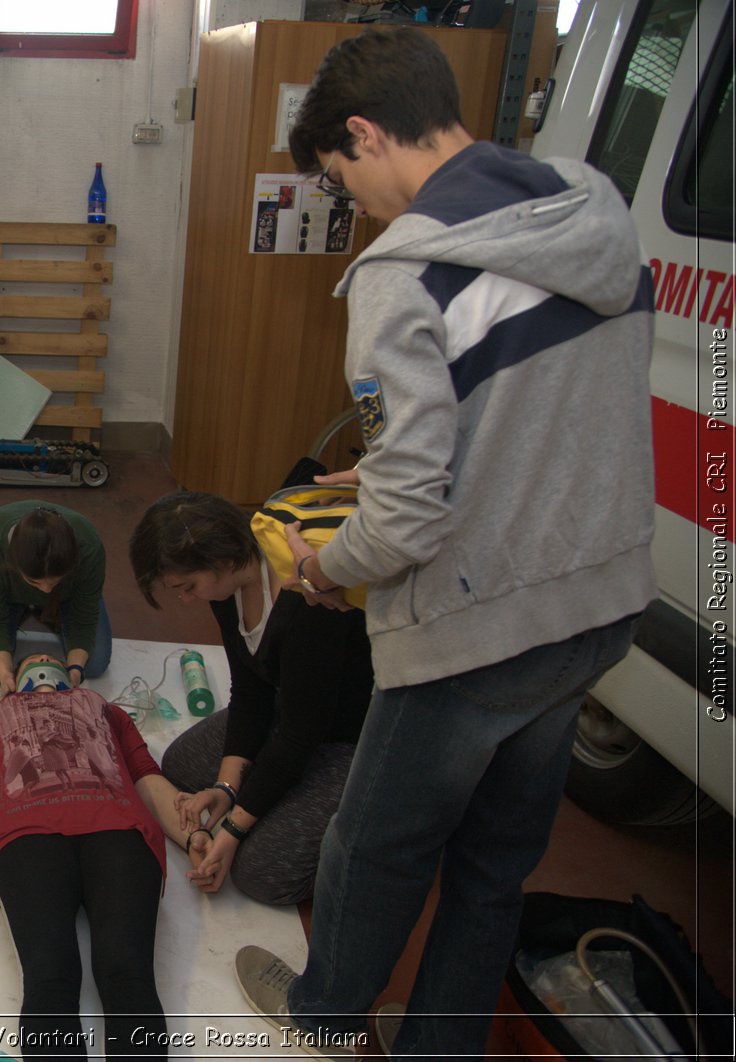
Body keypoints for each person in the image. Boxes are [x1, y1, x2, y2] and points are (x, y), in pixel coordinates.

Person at [232, 28, 655, 1060]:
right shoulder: (584, 213)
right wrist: (383, 470)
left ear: (365, 135)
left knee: (373, 846)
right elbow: (533, 421)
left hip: (478, 627)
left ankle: (328, 1015)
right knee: (494, 860)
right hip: (597, 601)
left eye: (342, 179)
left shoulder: (403, 275)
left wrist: (326, 568)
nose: (356, 208)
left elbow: (412, 522)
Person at [0, 655, 208, 1059]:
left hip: (118, 831)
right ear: (14, 679)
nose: (42, 659)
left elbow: (147, 779)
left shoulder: (105, 710)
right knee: (50, 979)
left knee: (128, 974)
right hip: (29, 838)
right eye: (33, 658)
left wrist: (194, 834)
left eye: (50, 656)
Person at [129, 491, 373, 906]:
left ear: (223, 560)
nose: (186, 598)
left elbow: (301, 735)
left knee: (260, 874)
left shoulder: (306, 599)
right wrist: (226, 789)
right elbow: (251, 692)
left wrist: (237, 827)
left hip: (349, 736)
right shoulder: (229, 587)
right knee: (182, 766)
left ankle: (373, 815)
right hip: (293, 710)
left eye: (187, 586)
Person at [0, 501, 112, 690]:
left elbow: (85, 614)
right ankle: (26, 606)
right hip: (6, 594)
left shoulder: (88, 546)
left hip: (69, 596)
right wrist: (5, 674)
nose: (46, 590)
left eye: (54, 581)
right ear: (13, 564)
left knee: (95, 665)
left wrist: (75, 671)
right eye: (34, 581)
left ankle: (44, 602)